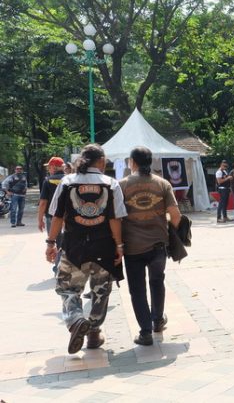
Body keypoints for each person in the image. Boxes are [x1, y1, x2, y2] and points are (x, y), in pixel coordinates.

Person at [45, 144, 127, 354]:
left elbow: (57, 216)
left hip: (74, 248)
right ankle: (93, 334)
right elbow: (115, 219)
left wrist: (51, 243)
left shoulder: (67, 181)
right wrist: (119, 245)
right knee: (100, 291)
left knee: (68, 289)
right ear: (101, 161)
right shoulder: (111, 183)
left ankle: (75, 319)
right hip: (104, 247)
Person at [119, 147, 181, 346]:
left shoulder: (122, 185)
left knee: (137, 290)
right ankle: (158, 321)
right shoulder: (163, 184)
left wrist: (118, 244)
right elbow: (176, 215)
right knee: (157, 282)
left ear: (132, 162)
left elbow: (116, 218)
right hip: (158, 245)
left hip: (132, 247)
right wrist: (172, 235)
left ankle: (145, 332)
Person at [38, 157, 66, 273]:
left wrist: (40, 219)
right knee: (67, 242)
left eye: (49, 167)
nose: (48, 169)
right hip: (69, 218)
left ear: (54, 167)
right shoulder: (70, 180)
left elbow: (43, 202)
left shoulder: (48, 181)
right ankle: (66, 266)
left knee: (54, 241)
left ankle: (58, 267)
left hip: (53, 217)